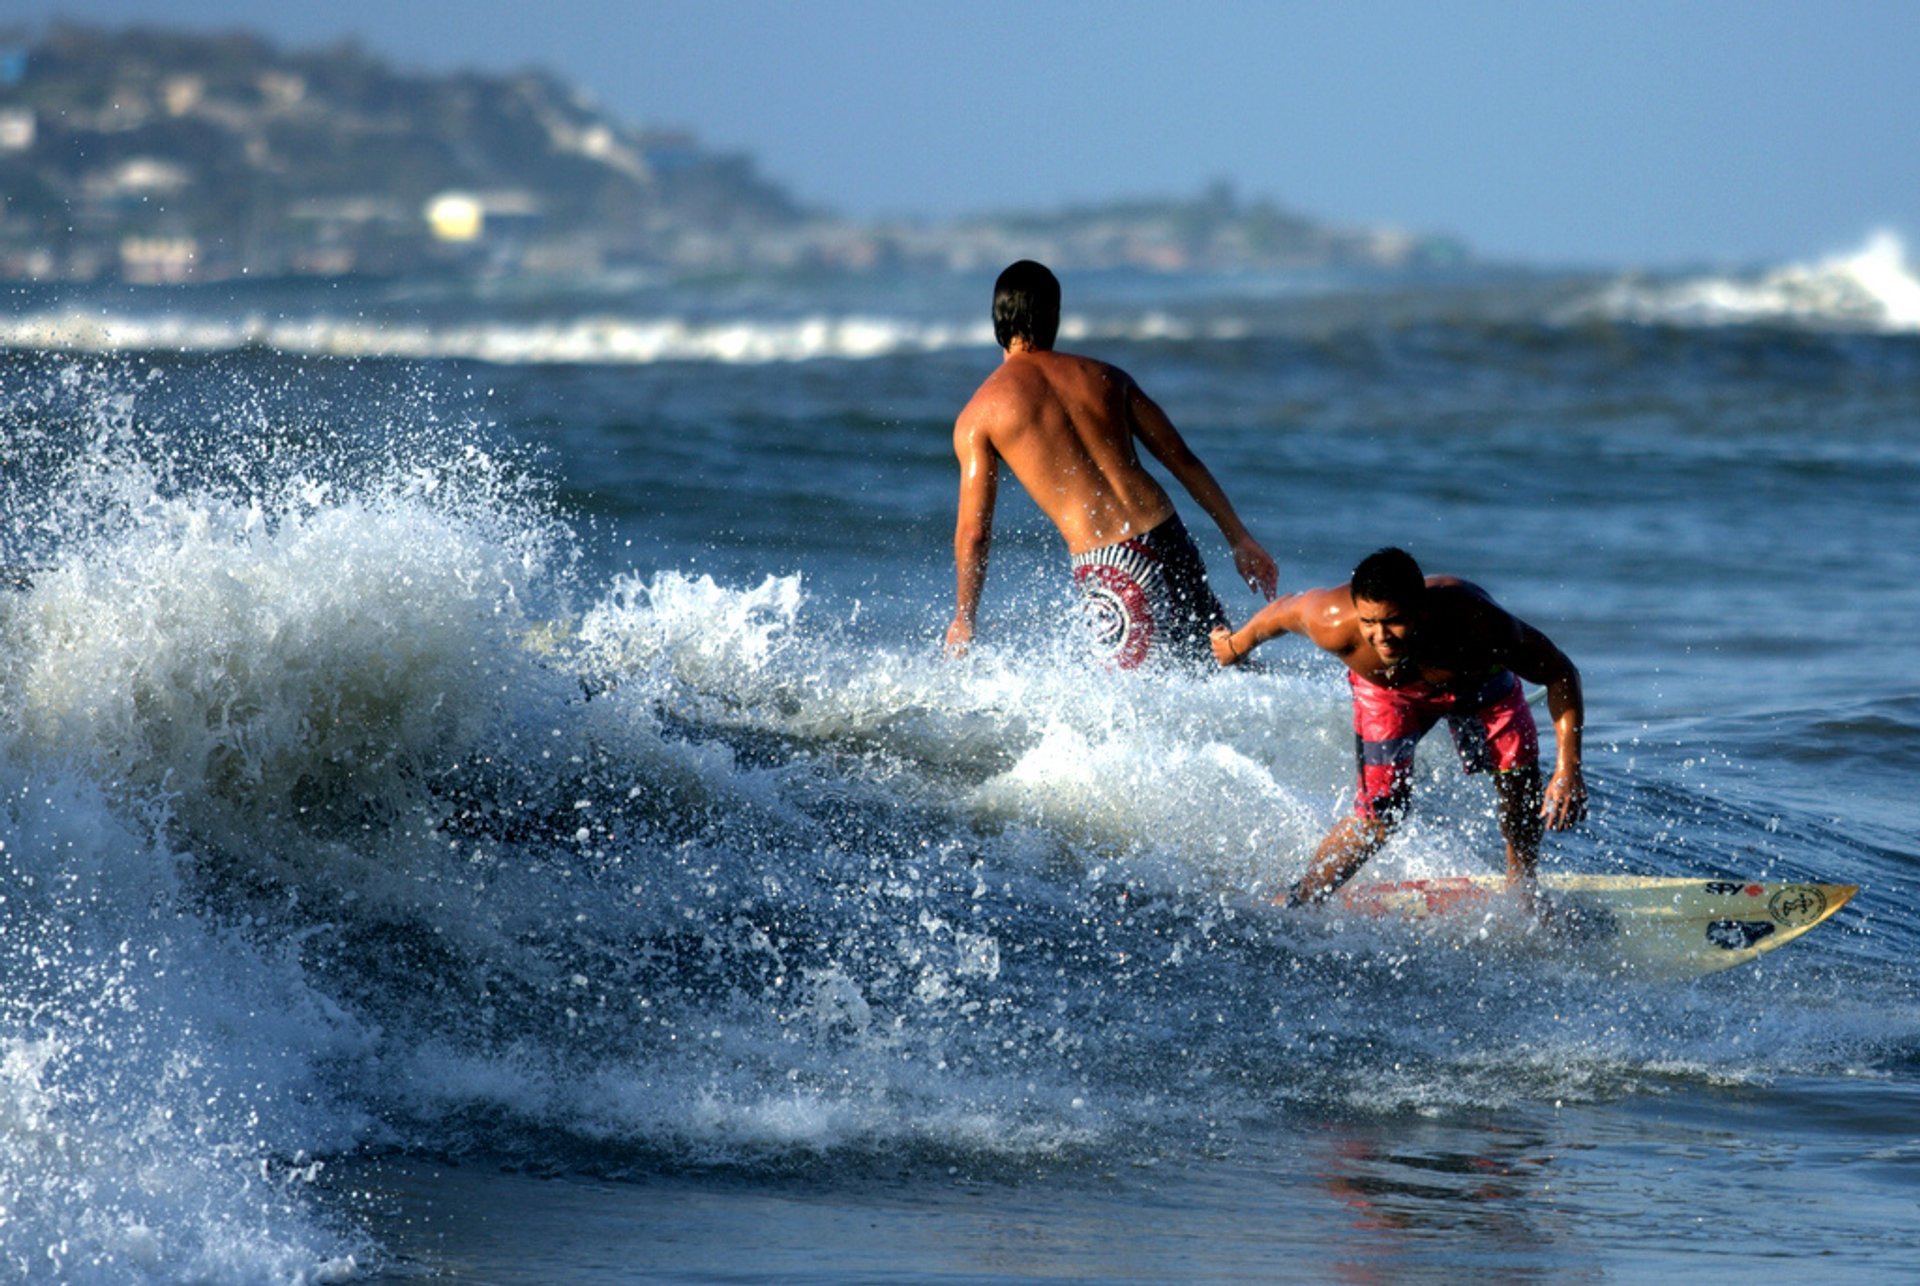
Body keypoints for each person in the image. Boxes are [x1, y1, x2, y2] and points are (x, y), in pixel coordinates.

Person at [1210, 547, 1587, 910]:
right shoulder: (1333, 620)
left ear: (1421, 610)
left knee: (1520, 784)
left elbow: (1560, 673)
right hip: (1388, 694)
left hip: (1478, 684)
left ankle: (1523, 894)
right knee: (1381, 814)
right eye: (1369, 621)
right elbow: (1282, 612)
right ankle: (1302, 899)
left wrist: (1568, 768)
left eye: (1393, 621)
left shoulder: (1477, 622)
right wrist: (1236, 645)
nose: (1380, 636)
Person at [945, 260, 1277, 669]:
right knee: (1221, 667)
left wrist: (965, 618)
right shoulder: (1106, 376)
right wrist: (1239, 538)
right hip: (1169, 537)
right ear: (1054, 314)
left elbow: (975, 533)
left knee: (1140, 704)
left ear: (998, 320)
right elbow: (1183, 460)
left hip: (1112, 562)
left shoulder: (979, 415)